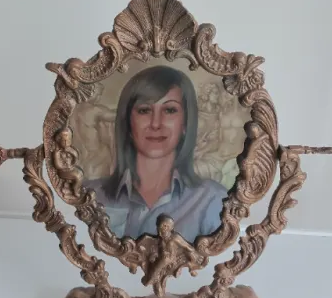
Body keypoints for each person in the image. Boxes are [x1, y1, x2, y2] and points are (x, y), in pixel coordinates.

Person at [84, 65, 228, 242]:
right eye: (144, 110)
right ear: (128, 122)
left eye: (169, 110)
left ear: (185, 124)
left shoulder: (213, 200)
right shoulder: (89, 196)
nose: (155, 124)